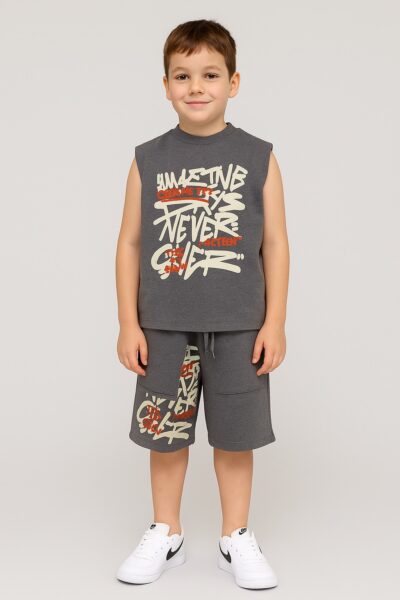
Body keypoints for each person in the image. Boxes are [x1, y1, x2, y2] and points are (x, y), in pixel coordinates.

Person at [115, 18, 289, 590]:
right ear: (165, 85)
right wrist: (128, 323)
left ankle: (235, 536)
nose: (196, 87)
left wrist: (275, 323)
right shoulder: (147, 159)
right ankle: (166, 532)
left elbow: (276, 243)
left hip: (239, 327)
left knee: (235, 438)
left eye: (210, 75)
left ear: (233, 83)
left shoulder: (259, 156)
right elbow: (130, 242)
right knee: (165, 437)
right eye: (182, 75)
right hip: (163, 327)